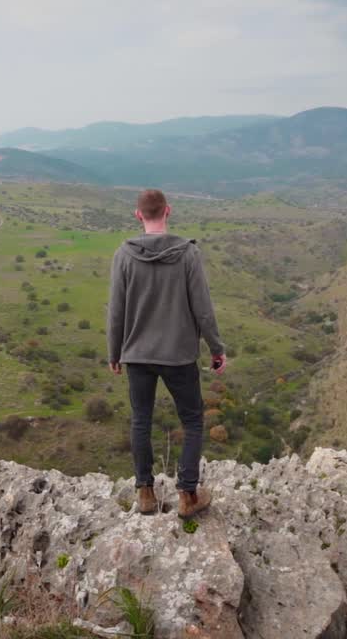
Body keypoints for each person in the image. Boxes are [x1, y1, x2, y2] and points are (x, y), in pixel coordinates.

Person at [107, 188, 226, 518]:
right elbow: (202, 309)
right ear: (168, 211)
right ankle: (188, 495)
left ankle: (145, 492)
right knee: (192, 421)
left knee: (141, 421)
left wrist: (114, 352)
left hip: (137, 355)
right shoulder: (187, 254)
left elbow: (116, 311)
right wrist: (217, 349)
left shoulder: (123, 255)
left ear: (138, 215)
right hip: (179, 354)